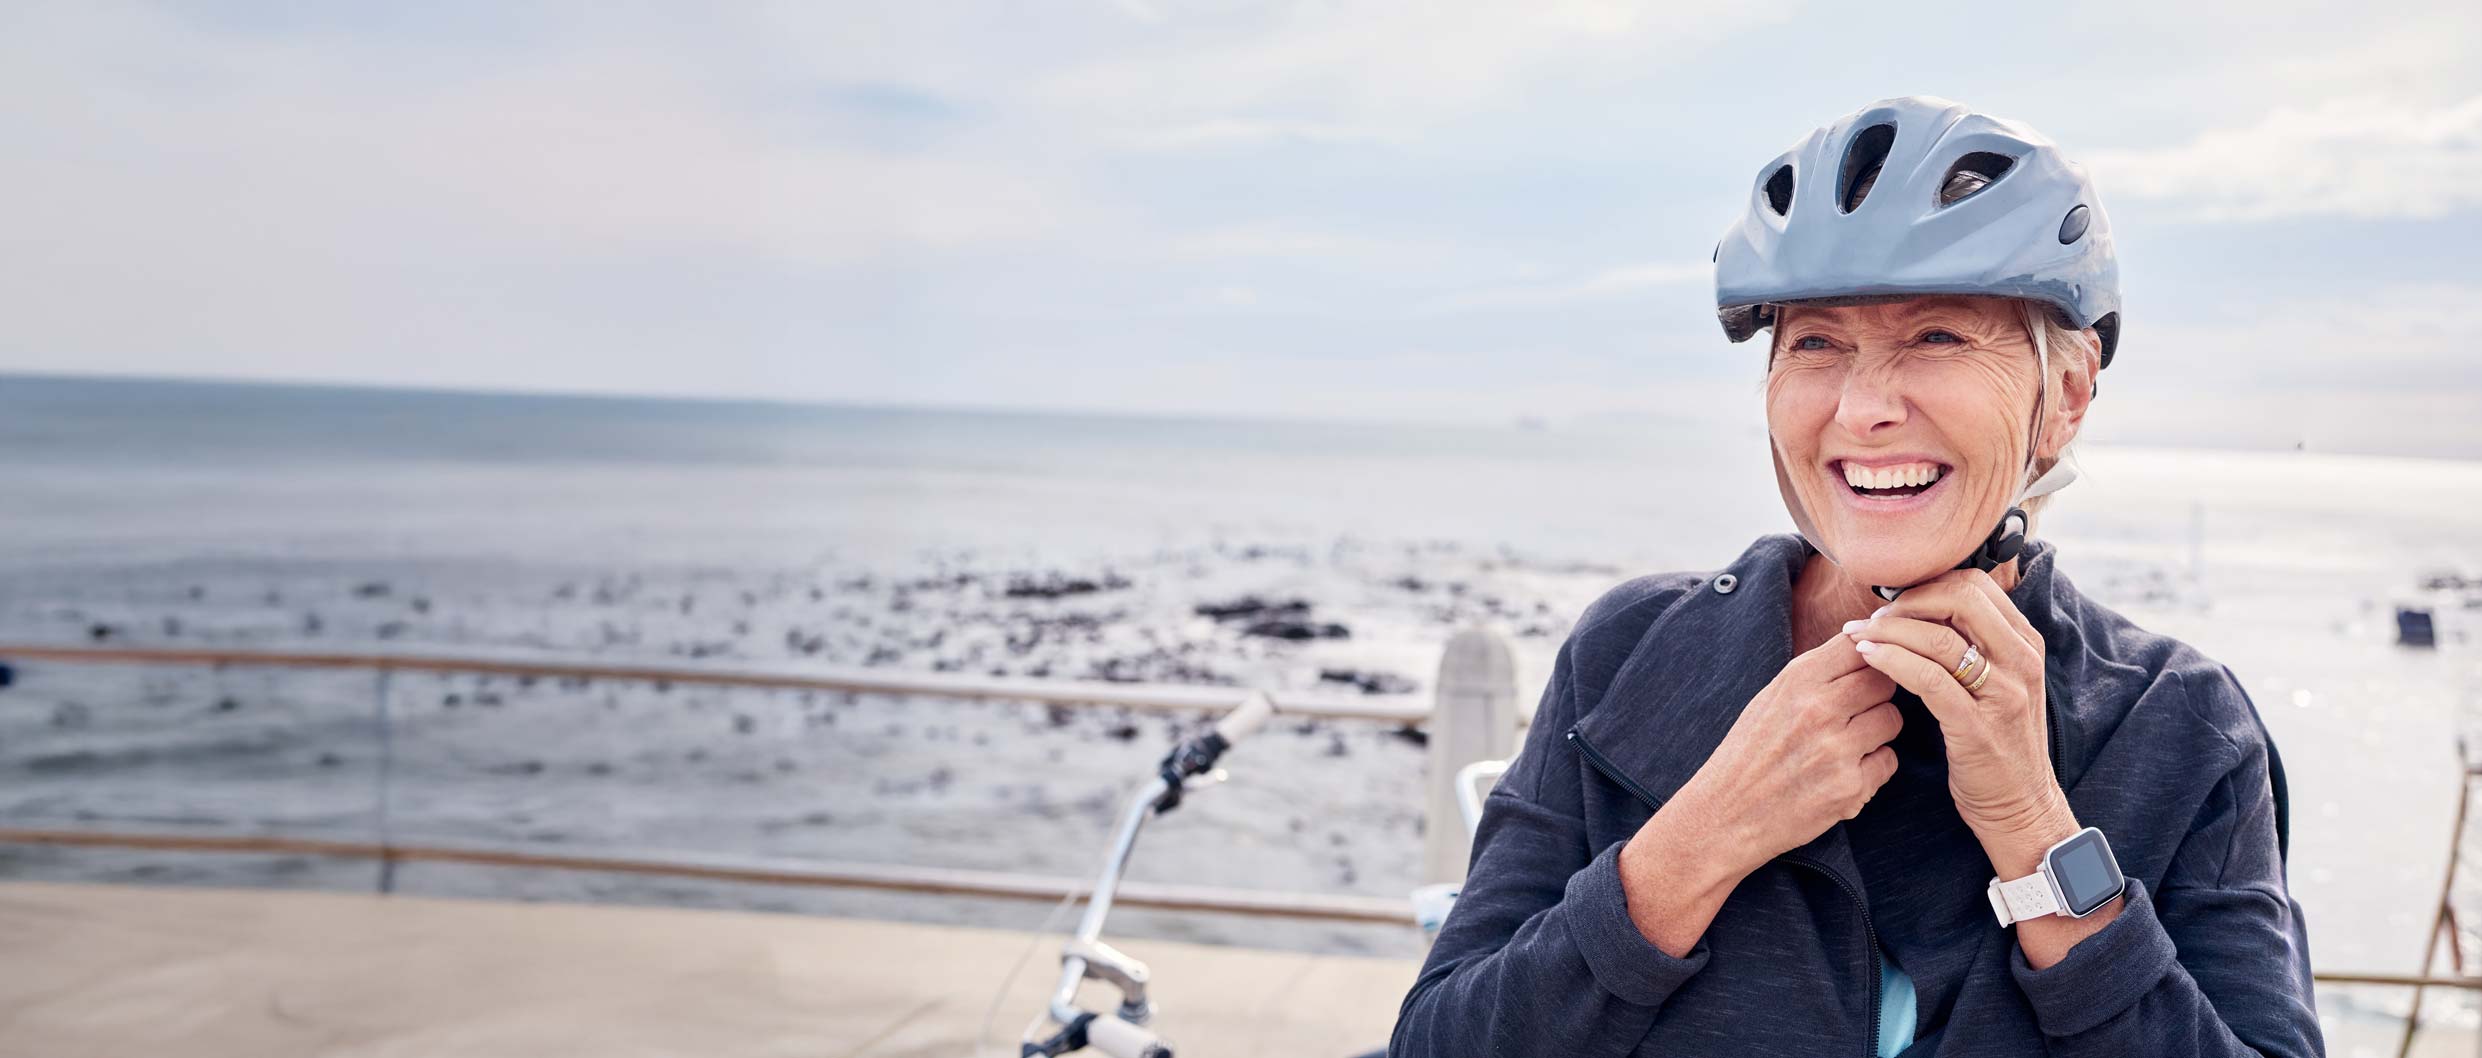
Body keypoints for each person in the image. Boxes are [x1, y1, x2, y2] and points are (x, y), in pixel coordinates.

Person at [1389, 96, 2323, 1056]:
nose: (1865, 408)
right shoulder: (1631, 654)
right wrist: (1704, 833)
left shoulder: (2179, 725)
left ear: (2067, 396)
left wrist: (2035, 828)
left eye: (1939, 337)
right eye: (1817, 345)